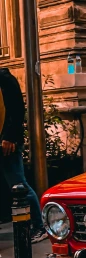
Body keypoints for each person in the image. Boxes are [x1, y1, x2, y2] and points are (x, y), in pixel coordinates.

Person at [0, 68, 47, 243]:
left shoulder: (5, 79)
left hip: (7, 143)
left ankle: (39, 225)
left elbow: (17, 110)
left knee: (18, 184)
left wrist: (10, 137)